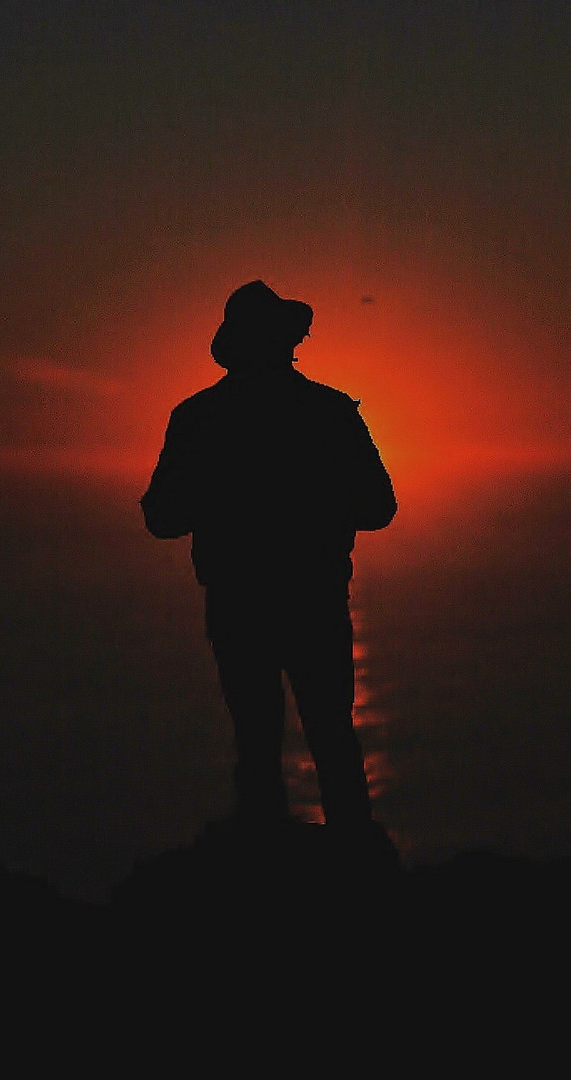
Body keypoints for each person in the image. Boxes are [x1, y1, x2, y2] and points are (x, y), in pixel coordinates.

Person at [140, 280, 397, 841]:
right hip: (315, 598)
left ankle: (263, 863)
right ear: (288, 341)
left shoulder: (198, 418)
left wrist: (222, 498)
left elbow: (161, 517)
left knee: (256, 739)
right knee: (332, 735)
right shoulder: (329, 412)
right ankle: (355, 863)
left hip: (239, 601)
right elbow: (378, 507)